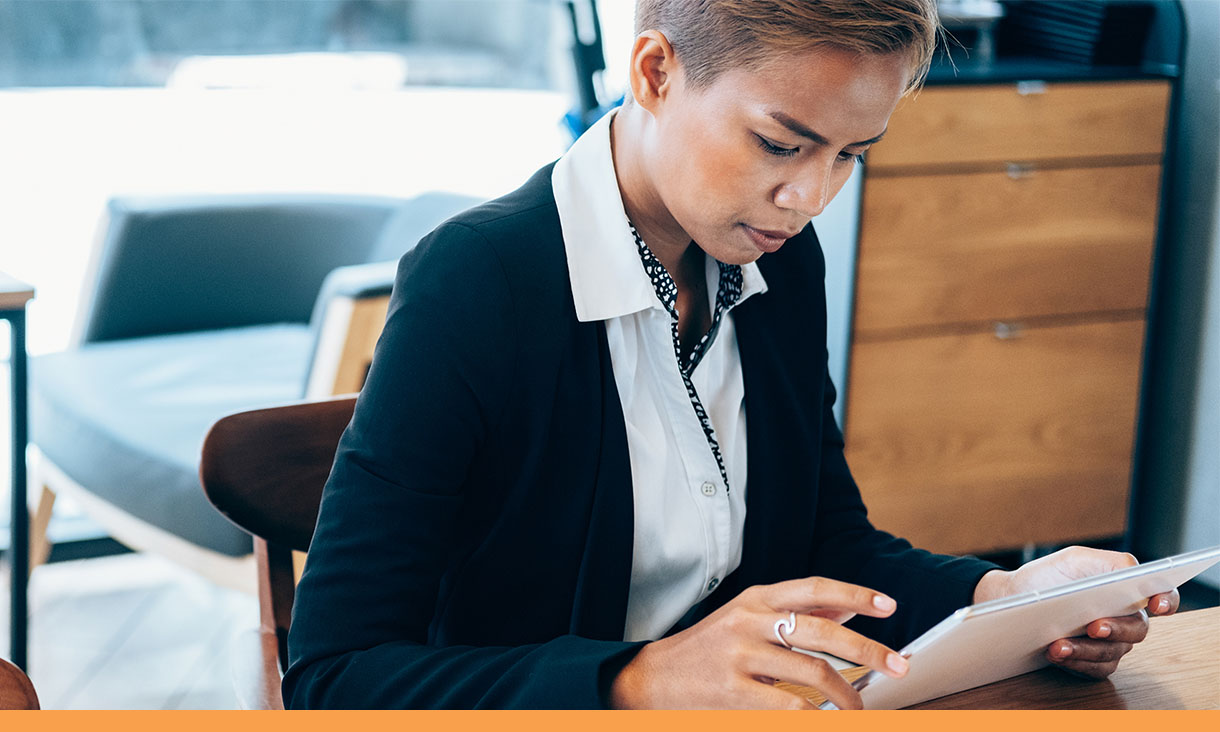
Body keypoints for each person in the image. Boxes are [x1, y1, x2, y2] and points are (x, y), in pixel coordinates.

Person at [284, 0, 1178, 709]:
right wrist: (637, 683)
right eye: (780, 144)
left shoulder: (773, 258)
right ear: (656, 71)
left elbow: (828, 544)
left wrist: (1010, 598)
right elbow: (336, 675)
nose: (809, 196)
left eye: (850, 156)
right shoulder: (478, 280)